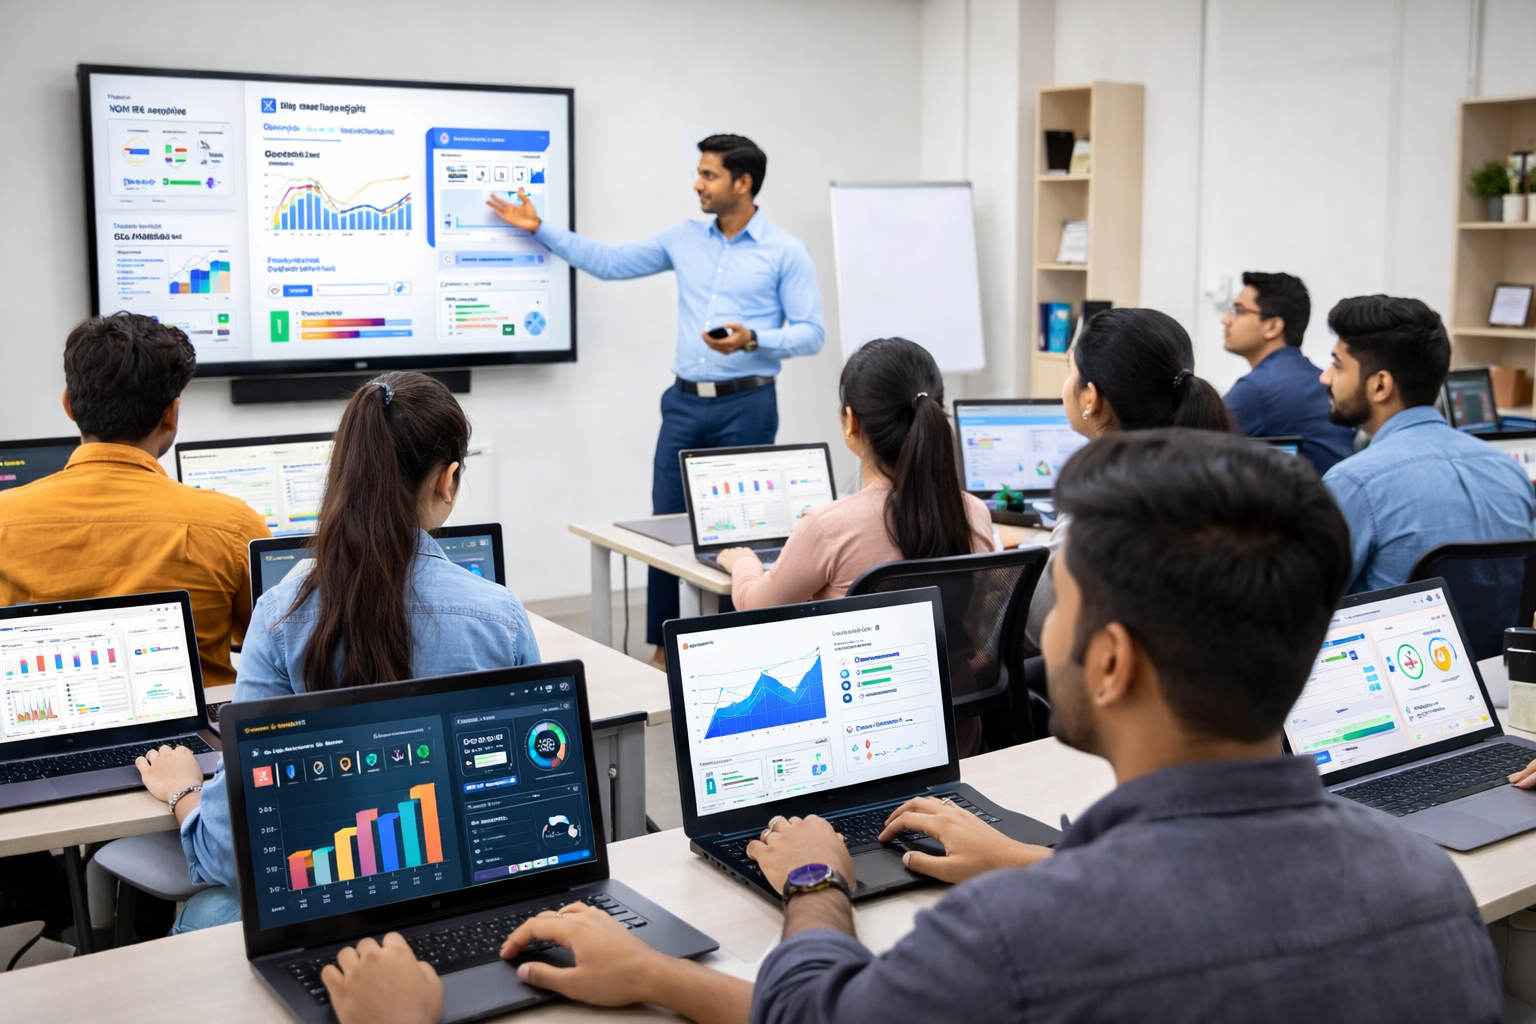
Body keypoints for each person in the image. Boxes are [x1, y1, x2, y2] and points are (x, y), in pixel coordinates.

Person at [315, 429, 1502, 1024]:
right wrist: (1035, 855)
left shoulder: (1018, 943)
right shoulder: (1420, 880)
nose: (1040, 628)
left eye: (1061, 599)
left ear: (1112, 661)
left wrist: (813, 883)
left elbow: (819, 1015)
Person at [136, 372, 541, 932]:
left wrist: (183, 790)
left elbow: (228, 858)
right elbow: (534, 805)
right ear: (448, 481)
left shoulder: (279, 617)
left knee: (207, 913)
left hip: (334, 918)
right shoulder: (501, 617)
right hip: (471, 911)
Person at [487, 134, 824, 667]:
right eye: (699, 173)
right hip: (684, 403)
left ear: (743, 183)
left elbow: (811, 333)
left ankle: (728, 646)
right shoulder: (685, 238)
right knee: (668, 525)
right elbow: (611, 262)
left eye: (709, 175)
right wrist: (540, 228)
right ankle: (668, 647)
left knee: (738, 529)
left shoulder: (786, 251)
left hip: (748, 403)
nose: (697, 184)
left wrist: (752, 339)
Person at [0, 312, 270, 687]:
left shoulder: (4, 520)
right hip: (199, 725)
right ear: (172, 414)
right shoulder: (233, 526)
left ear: (68, 405)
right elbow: (279, 645)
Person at [716, 337, 996, 607]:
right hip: (953, 644)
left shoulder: (827, 527)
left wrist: (745, 563)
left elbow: (756, 606)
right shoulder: (974, 513)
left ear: (851, 421)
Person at [1019, 307, 1230, 647]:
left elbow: (1034, 627)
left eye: (1071, 372)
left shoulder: (1101, 500)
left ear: (1091, 398)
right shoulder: (1213, 479)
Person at [1319, 294, 1535, 593]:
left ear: (1380, 385)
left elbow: (1303, 605)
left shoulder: (1354, 484)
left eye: (1338, 365)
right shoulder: (1511, 472)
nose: (1325, 377)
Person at [1220, 271, 1355, 474]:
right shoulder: (1318, 378)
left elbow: (1194, 451)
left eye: (1239, 311)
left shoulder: (1257, 389)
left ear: (1273, 326)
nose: (1225, 320)